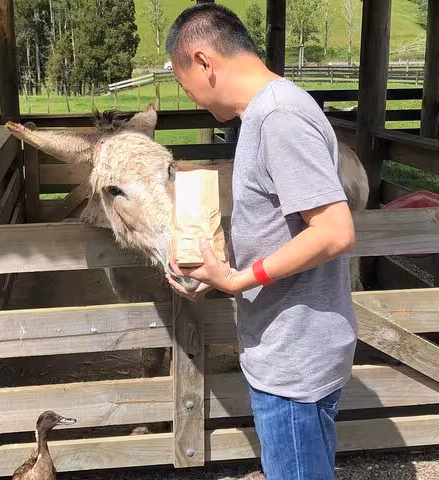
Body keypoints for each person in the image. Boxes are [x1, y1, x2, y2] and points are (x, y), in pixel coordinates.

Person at [163, 4, 359, 480]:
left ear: (204, 60)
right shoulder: (270, 112)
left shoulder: (278, 117)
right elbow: (283, 225)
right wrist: (214, 264)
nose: (190, 99)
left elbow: (334, 231)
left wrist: (238, 279)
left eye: (183, 82)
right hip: (289, 345)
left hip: (294, 356)